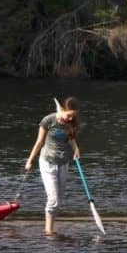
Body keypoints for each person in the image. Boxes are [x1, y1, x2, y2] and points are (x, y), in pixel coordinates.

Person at [25, 96, 81, 236]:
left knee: (58, 200)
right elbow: (39, 142)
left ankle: (50, 228)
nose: (70, 119)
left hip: (63, 163)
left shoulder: (70, 122)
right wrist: (30, 160)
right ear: (62, 109)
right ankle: (48, 231)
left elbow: (71, 139)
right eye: (69, 115)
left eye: (73, 116)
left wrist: (76, 149)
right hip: (47, 163)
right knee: (54, 199)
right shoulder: (48, 120)